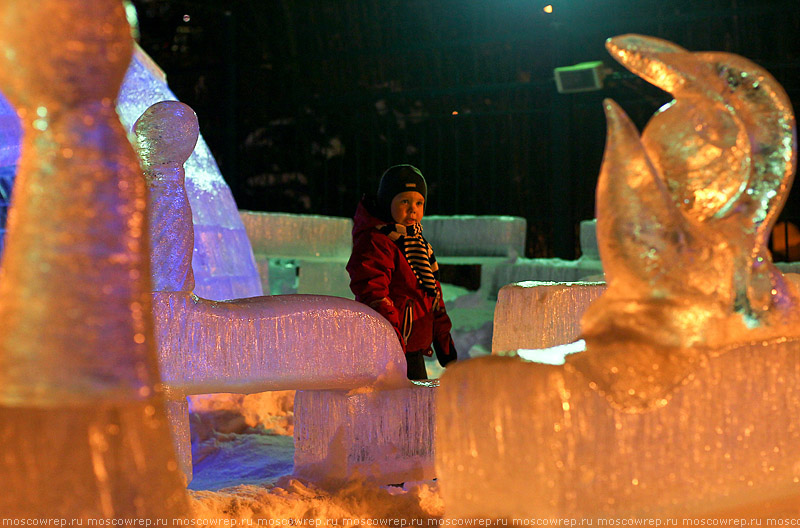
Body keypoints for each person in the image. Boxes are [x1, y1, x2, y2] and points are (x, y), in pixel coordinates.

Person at [347, 164, 457, 380]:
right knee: (400, 408)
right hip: (389, 349)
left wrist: (442, 337)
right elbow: (373, 291)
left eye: (419, 203)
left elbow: (433, 295)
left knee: (415, 407)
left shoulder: (419, 245)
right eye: (404, 201)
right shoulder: (376, 241)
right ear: (388, 203)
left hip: (411, 347)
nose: (412, 209)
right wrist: (391, 336)